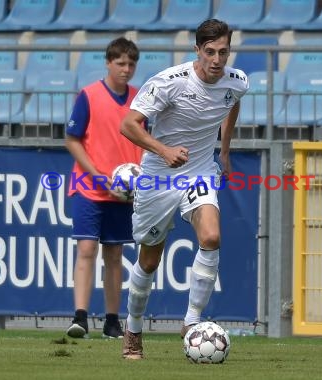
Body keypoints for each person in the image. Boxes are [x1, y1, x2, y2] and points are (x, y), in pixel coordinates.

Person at [119, 19, 249, 359]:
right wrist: (163, 151)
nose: (217, 60)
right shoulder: (168, 82)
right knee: (149, 261)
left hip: (200, 171)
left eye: (223, 52)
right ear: (197, 50)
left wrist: (224, 150)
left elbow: (232, 101)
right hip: (159, 176)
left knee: (211, 237)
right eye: (210, 52)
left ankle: (191, 322)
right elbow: (128, 125)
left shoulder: (237, 82)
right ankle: (133, 329)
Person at [65, 37, 143, 339]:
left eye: (131, 64)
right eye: (120, 63)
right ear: (108, 63)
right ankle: (80, 317)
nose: (126, 69)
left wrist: (137, 177)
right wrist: (96, 175)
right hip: (90, 185)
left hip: (123, 191)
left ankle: (112, 320)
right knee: (86, 249)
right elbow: (72, 139)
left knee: (114, 254)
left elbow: (145, 141)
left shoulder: (139, 100)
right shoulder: (89, 95)